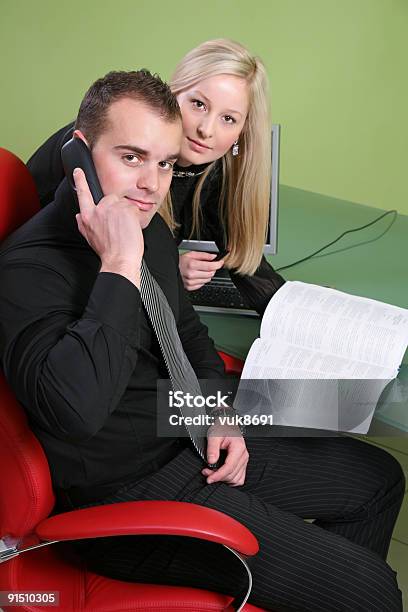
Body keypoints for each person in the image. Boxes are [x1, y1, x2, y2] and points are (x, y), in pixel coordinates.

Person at [0, 70, 405, 612]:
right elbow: (77, 412)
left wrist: (218, 413)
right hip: (131, 484)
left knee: (375, 468)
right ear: (77, 155)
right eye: (130, 157)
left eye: (164, 163)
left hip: (181, 416)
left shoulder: (152, 225)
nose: (150, 184)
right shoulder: (30, 271)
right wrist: (118, 264)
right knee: (371, 590)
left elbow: (188, 332)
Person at [26, 39, 285, 315]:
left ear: (243, 131)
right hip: (46, 288)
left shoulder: (213, 168)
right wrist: (167, 273)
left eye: (229, 119)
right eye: (198, 104)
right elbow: (97, 255)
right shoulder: (107, 151)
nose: (206, 130)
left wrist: (305, 311)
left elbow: (248, 268)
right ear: (174, 94)